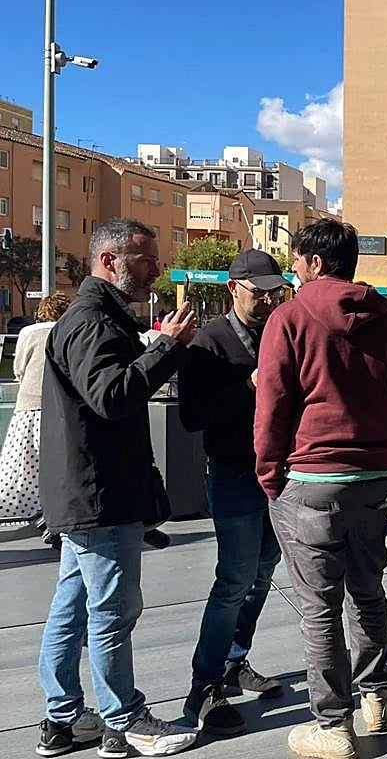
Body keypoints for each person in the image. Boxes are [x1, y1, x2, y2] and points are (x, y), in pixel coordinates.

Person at [255, 219, 387, 759]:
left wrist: (269, 476)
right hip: (376, 478)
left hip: (309, 480)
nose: (291, 270)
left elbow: (272, 406)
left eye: (294, 261)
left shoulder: (288, 317)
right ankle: (375, 697)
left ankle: (332, 726)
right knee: (367, 589)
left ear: (312, 262)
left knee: (318, 606)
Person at [36, 219, 198, 758]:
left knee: (74, 605)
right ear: (110, 261)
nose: (157, 268)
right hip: (100, 496)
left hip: (85, 492)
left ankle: (63, 718)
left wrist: (155, 347)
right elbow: (111, 396)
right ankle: (122, 720)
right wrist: (166, 350)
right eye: (147, 259)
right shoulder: (92, 323)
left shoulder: (95, 319)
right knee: (111, 611)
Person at [178, 250, 287, 736]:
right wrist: (246, 385)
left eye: (275, 292)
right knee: (234, 579)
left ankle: (234, 659)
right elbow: (190, 417)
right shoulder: (209, 342)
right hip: (233, 472)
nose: (267, 300)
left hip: (277, 474)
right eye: (258, 292)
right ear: (232, 288)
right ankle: (204, 685)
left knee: (262, 572)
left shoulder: (277, 332)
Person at [0, 292, 70, 531]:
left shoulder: (28, 333)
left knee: (24, 465)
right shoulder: (70, 329)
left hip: (28, 405)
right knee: (59, 466)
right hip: (60, 407)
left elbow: (18, 368)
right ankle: (54, 512)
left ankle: (27, 510)